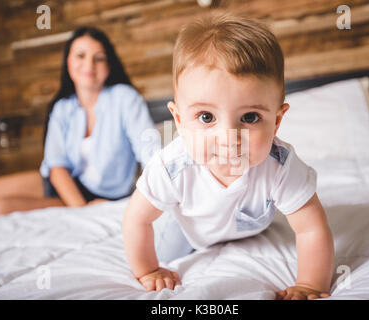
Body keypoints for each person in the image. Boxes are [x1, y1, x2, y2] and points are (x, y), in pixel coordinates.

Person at [123, 14, 335, 300]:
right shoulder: (172, 167)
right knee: (166, 249)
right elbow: (137, 219)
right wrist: (148, 270)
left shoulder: (281, 165)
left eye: (249, 117)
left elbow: (311, 229)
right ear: (179, 119)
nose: (228, 137)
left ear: (276, 121)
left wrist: (310, 284)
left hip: (250, 231)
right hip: (187, 232)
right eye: (206, 117)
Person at [0, 27, 160, 218]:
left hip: (98, 196)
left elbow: (150, 152)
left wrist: (152, 197)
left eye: (99, 57)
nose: (89, 64)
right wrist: (82, 208)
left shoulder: (125, 98)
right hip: (60, 186)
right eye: (80, 56)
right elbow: (56, 166)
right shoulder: (62, 107)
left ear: (109, 65)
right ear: (69, 62)